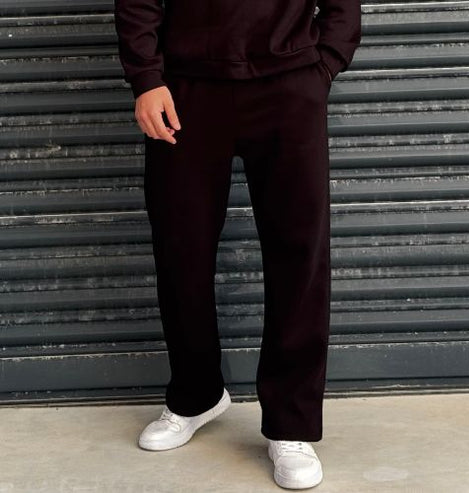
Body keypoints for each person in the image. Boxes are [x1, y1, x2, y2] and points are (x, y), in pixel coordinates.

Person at [114, 0, 361, 489]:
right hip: (184, 87)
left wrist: (323, 66)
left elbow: (343, 6)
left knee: (299, 256)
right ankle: (195, 395)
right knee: (181, 249)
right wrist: (146, 78)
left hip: (289, 81)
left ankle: (291, 424)